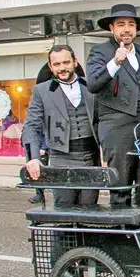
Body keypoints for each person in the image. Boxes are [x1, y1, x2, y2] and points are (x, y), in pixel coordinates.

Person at [86, 3, 140, 206]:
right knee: (121, 185)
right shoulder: (100, 51)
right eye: (120, 24)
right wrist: (115, 63)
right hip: (117, 127)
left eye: (130, 24)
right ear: (112, 28)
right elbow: (92, 84)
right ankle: (121, 231)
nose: (126, 29)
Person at [21, 44, 100, 207]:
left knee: (90, 211)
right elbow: (31, 127)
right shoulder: (40, 92)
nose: (62, 68)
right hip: (60, 158)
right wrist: (34, 158)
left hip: (91, 158)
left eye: (66, 62)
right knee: (64, 211)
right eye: (56, 64)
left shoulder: (91, 87)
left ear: (75, 62)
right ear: (50, 66)